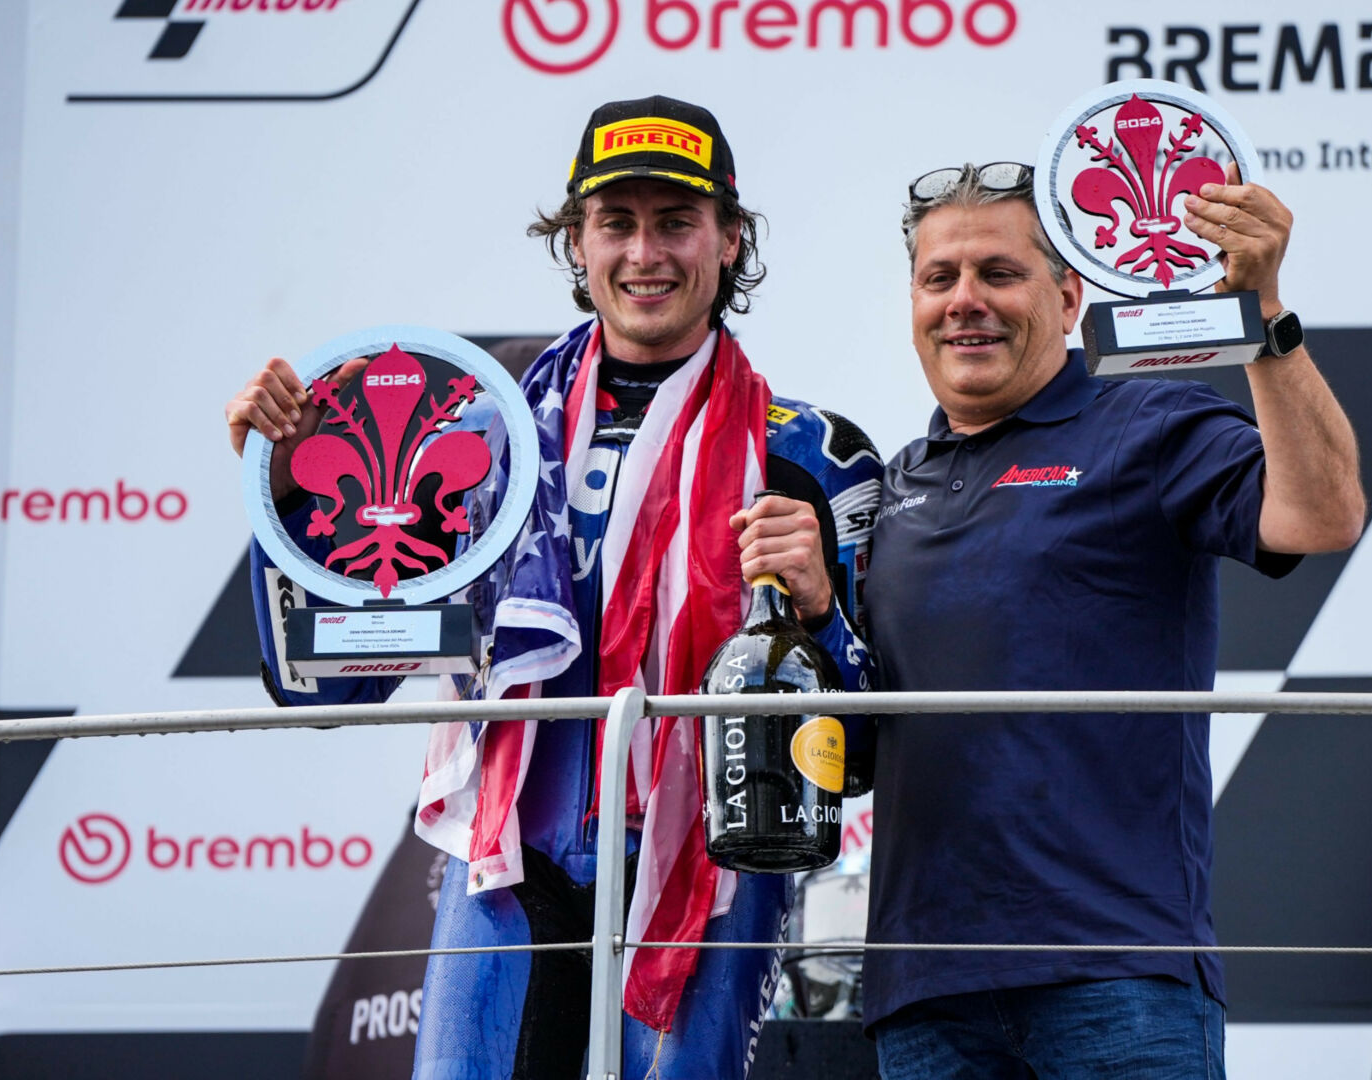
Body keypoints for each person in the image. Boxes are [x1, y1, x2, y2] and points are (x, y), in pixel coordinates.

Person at [223, 95, 882, 1080]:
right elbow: (321, 685)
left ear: (729, 239)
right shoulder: (477, 443)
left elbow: (861, 754)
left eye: (676, 221)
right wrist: (287, 495)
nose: (644, 251)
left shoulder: (809, 457)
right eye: (616, 222)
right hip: (504, 866)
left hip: (716, 872)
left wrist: (823, 613)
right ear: (576, 242)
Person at [860, 162, 1365, 1078]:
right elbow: (852, 745)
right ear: (914, 302)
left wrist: (1269, 325)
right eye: (941, 279)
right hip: (924, 991)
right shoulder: (894, 483)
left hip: (1118, 977)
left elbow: (1322, 515)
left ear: (1066, 294)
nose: (965, 301)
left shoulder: (1147, 417)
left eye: (999, 274)